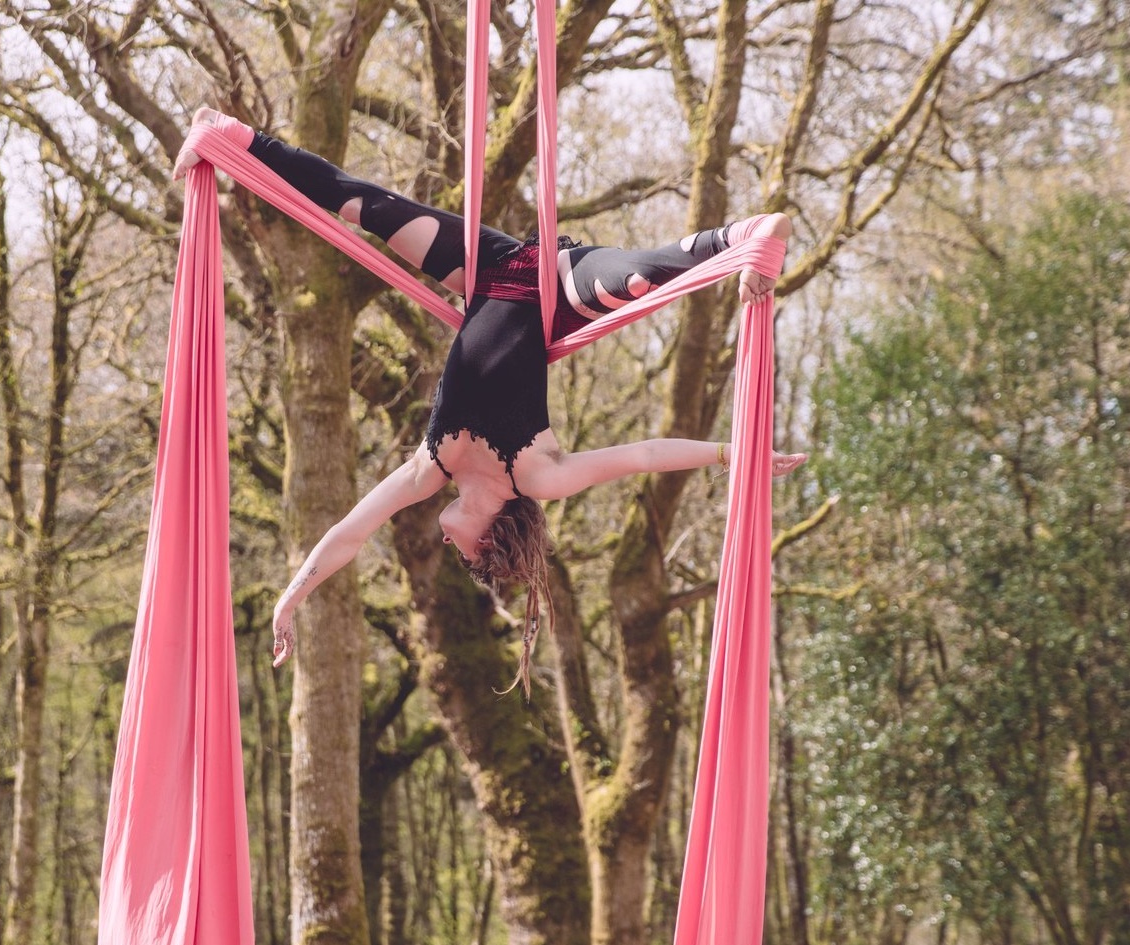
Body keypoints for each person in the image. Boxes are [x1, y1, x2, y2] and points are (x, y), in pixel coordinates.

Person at [174, 108, 806, 692]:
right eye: (470, 559)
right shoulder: (537, 474)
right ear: (489, 540)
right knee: (645, 277)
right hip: (560, 285)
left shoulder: (431, 468)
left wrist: (292, 596)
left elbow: (348, 534)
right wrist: (731, 451)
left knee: (359, 204)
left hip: (485, 274)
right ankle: (755, 236)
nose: (452, 550)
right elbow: (641, 454)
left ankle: (230, 138)